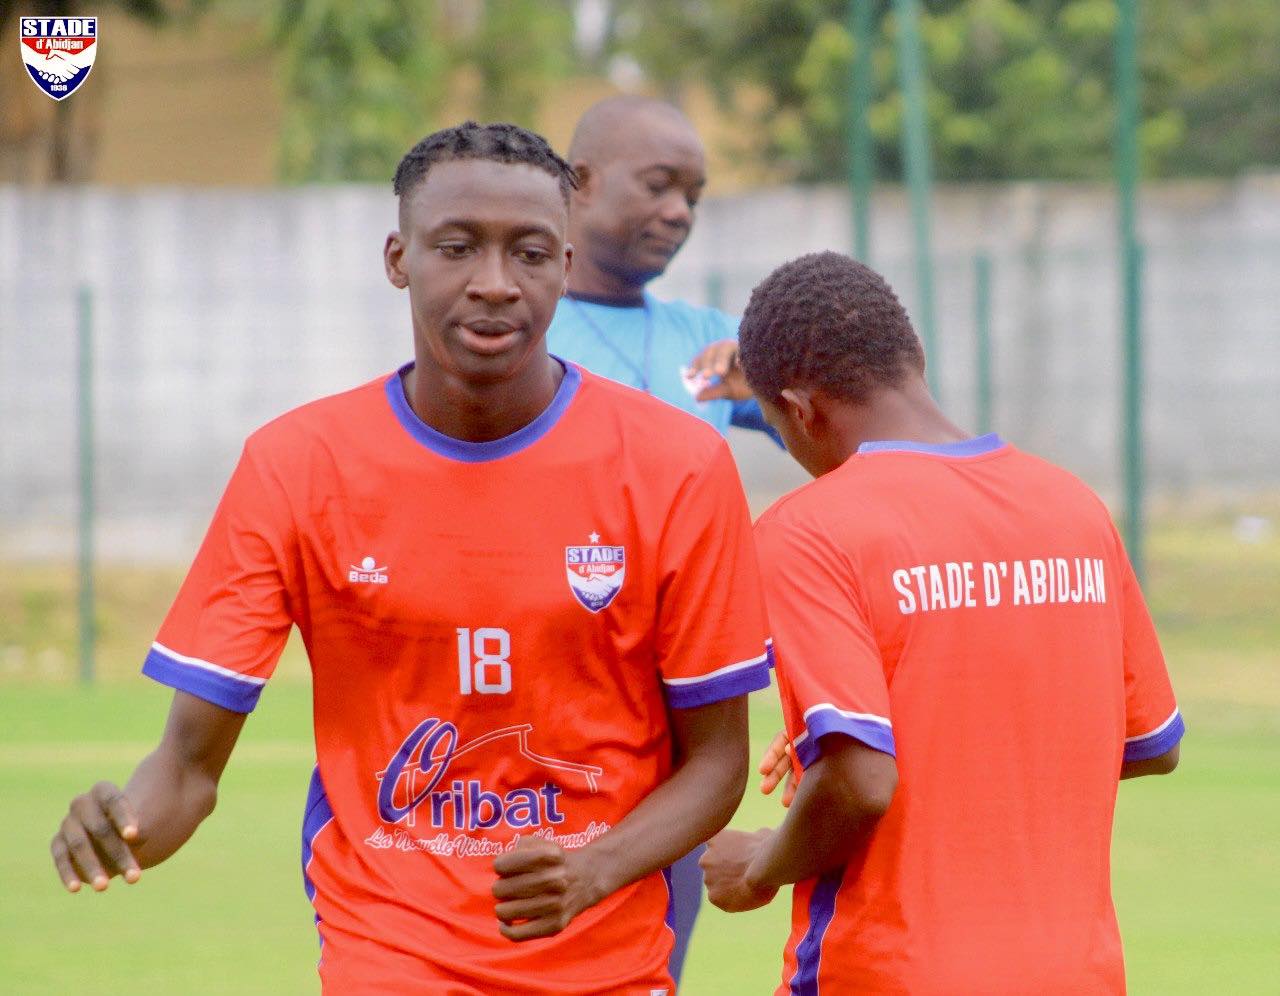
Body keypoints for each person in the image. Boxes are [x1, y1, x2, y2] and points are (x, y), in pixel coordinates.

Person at [49, 122, 773, 996]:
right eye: (458, 248)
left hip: (608, 969)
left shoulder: (677, 465)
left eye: (531, 253)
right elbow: (188, 768)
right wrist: (124, 824)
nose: (495, 284)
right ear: (399, 257)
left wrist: (595, 868)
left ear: (567, 264)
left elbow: (718, 761)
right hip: (386, 963)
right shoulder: (298, 466)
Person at [700, 251, 1184, 994]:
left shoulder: (808, 530)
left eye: (776, 425)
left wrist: (760, 865)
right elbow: (1149, 744)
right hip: (1079, 975)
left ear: (799, 409)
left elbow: (861, 782)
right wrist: (894, 727)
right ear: (914, 358)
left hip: (891, 973)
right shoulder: (1073, 507)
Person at [545, 93, 779, 983]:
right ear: (581, 183)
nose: (679, 211)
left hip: (682, 715)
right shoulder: (519, 327)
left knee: (646, 960)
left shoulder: (711, 347)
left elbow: (842, 424)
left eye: (695, 194)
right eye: (658, 185)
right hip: (547, 695)